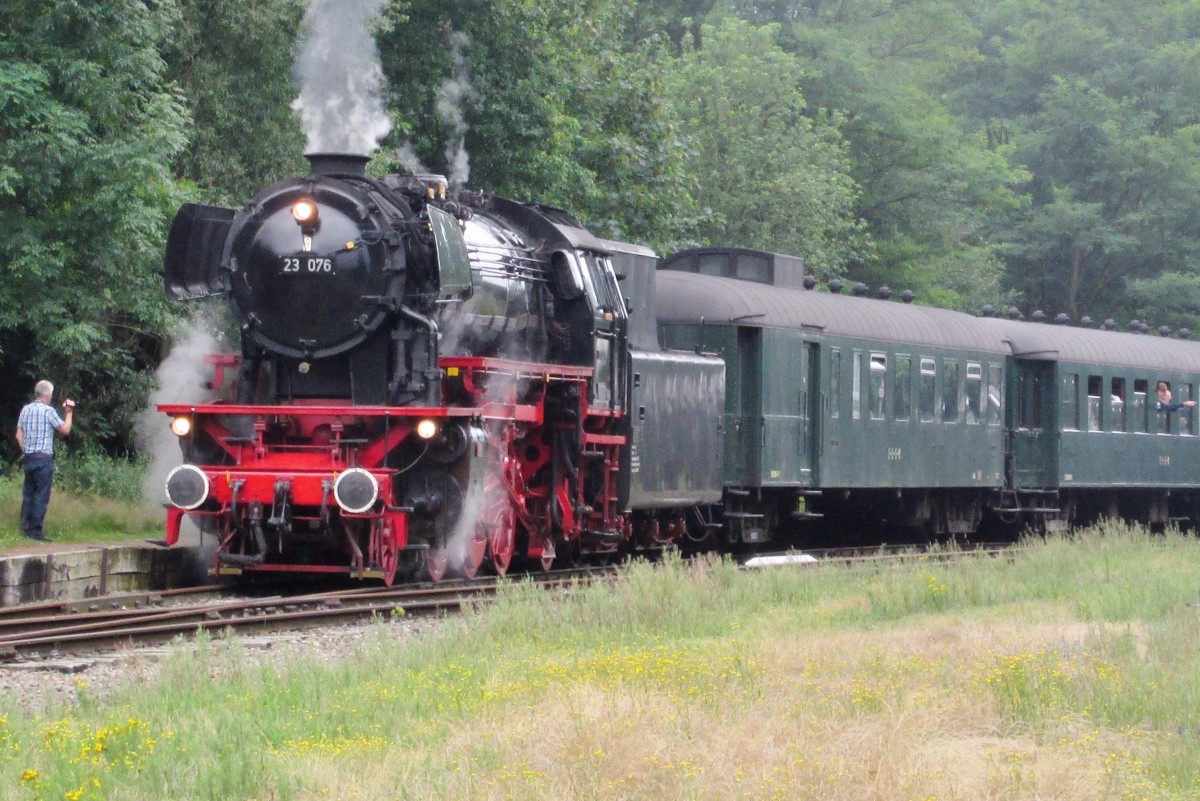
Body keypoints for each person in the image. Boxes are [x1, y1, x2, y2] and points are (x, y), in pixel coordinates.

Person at [14, 380, 75, 541]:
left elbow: (18, 435)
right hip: (43, 458)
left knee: (28, 494)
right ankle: (36, 531)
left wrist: (26, 450)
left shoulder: (25, 410)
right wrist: (69, 413)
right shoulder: (48, 411)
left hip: (29, 457)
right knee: (41, 495)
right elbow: (65, 430)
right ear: (48, 394)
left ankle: (24, 528)